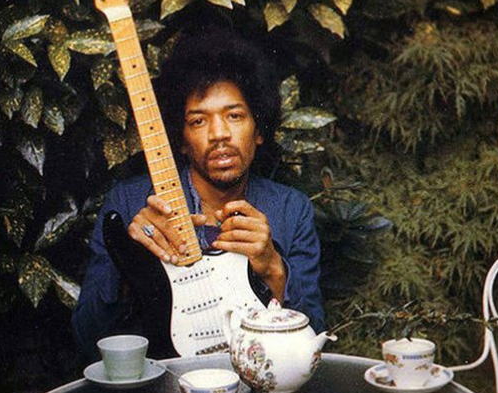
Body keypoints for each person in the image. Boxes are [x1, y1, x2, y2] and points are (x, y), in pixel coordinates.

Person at [72, 29, 324, 360]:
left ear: (258, 130)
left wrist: (273, 269)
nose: (219, 134)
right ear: (181, 140)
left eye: (235, 116)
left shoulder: (290, 209)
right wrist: (130, 260)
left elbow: (314, 340)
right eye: (198, 121)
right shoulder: (129, 203)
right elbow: (87, 339)